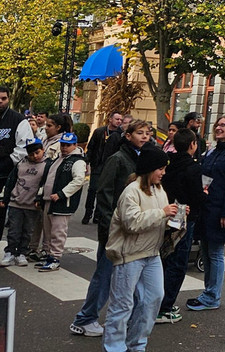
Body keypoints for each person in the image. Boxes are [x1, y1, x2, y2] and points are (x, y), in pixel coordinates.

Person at [70, 119, 153, 337]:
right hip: (115, 227)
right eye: (140, 133)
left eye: (148, 133)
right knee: (104, 275)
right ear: (128, 136)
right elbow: (104, 193)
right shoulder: (118, 159)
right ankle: (85, 318)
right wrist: (108, 227)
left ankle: (128, 319)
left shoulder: (144, 159)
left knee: (133, 278)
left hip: (134, 226)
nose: (145, 136)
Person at [102, 144, 179, 352]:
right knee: (122, 305)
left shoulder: (159, 189)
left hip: (152, 254)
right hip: (129, 256)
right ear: (149, 168)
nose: (163, 173)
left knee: (154, 299)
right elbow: (132, 223)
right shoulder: (131, 191)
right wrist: (163, 213)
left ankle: (136, 344)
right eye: (160, 168)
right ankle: (114, 347)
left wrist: (177, 217)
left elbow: (159, 220)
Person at [187, 115, 225, 312]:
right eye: (217, 125)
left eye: (223, 125)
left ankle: (213, 296)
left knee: (215, 253)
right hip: (206, 207)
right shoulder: (212, 151)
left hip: (221, 210)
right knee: (206, 251)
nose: (219, 127)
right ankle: (208, 292)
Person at [157, 129, 206, 325]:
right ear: (193, 145)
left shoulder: (168, 164)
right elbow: (197, 197)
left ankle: (160, 302)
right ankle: (165, 307)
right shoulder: (193, 168)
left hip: (167, 213)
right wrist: (205, 195)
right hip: (185, 217)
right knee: (178, 263)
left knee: (165, 258)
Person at [36, 131, 86, 271]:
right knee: (48, 231)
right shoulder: (59, 158)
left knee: (58, 231)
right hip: (49, 200)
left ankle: (55, 258)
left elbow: (78, 181)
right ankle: (48, 254)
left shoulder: (77, 161)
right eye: (63, 144)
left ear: (75, 145)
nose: (64, 147)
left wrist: (62, 194)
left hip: (62, 202)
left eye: (68, 145)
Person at [0, 138, 46, 266]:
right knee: (14, 230)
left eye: (37, 152)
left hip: (32, 205)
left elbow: (45, 185)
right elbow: (11, 181)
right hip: (16, 202)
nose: (35, 156)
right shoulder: (21, 163)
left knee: (27, 231)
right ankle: (10, 252)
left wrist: (39, 199)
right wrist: (5, 198)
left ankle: (21, 253)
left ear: (43, 150)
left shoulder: (46, 165)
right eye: (31, 154)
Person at [0, 85, 34, 239]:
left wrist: (9, 161)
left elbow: (25, 147)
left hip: (5, 176)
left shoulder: (19, 120)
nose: (0, 101)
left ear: (8, 99)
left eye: (3, 98)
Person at [83, 110, 125, 224]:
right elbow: (91, 148)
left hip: (110, 168)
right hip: (97, 165)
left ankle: (98, 215)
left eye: (121, 120)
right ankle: (88, 213)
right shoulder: (99, 132)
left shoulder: (121, 135)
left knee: (103, 192)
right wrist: (87, 162)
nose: (119, 122)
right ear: (110, 119)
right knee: (92, 189)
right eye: (117, 119)